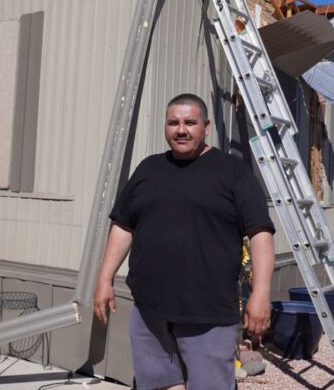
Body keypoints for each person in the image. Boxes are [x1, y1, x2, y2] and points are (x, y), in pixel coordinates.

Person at [93, 93, 275, 390]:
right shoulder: (148, 169)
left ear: (206, 127)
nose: (181, 130)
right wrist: (104, 279)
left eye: (190, 122)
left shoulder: (232, 172)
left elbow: (260, 233)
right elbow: (124, 225)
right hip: (149, 310)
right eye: (173, 123)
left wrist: (261, 294)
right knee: (159, 384)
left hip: (208, 313)